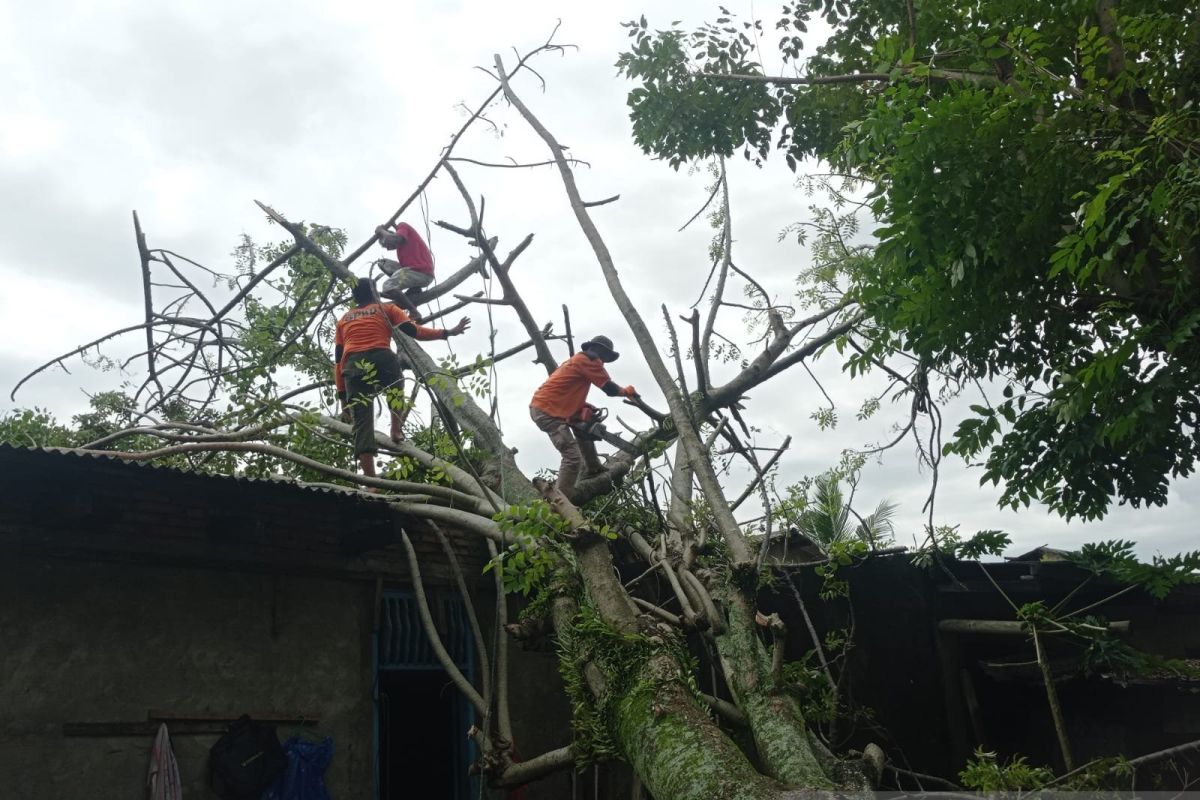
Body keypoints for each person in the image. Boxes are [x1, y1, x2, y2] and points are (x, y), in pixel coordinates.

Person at [335, 278, 469, 479]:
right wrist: (447, 332)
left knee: (362, 422)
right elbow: (414, 331)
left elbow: (338, 361)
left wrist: (342, 396)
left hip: (353, 364)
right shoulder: (385, 309)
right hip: (382, 356)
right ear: (374, 292)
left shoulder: (344, 319)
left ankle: (371, 480)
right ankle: (396, 430)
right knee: (396, 385)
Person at [529, 335, 637, 500]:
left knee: (583, 424)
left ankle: (593, 466)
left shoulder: (577, 360)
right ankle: (561, 500)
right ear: (601, 351)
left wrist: (581, 407)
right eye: (606, 357)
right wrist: (626, 391)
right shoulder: (589, 360)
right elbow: (609, 388)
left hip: (552, 407)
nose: (605, 362)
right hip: (548, 412)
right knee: (572, 457)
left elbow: (567, 390)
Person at [374, 221, 434, 320]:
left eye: (386, 243)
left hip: (421, 272)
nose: (388, 247)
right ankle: (413, 290)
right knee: (383, 263)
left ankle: (414, 312)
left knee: (388, 286)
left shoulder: (402, 227)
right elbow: (392, 240)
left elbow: (394, 238)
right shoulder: (402, 248)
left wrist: (380, 230)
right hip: (416, 271)